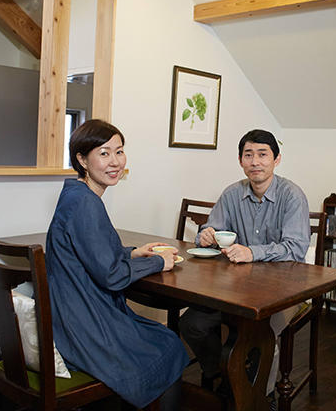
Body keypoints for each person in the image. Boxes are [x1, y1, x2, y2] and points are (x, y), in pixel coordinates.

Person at [45, 119, 189, 410]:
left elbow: (89, 250)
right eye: (104, 153)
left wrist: (132, 254)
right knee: (169, 344)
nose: (115, 162)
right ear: (82, 160)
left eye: (119, 151)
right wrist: (158, 262)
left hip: (67, 313)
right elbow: (111, 276)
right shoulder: (86, 203)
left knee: (160, 338)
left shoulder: (74, 194)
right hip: (83, 322)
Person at [179, 129, 310, 404]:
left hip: (285, 290)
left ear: (276, 159)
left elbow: (295, 249)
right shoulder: (231, 194)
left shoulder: (292, 196)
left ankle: (263, 397)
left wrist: (253, 252)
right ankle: (225, 374)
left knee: (259, 334)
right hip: (237, 288)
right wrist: (206, 235)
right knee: (192, 324)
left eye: (263, 154)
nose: (255, 162)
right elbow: (213, 229)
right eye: (248, 155)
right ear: (240, 160)